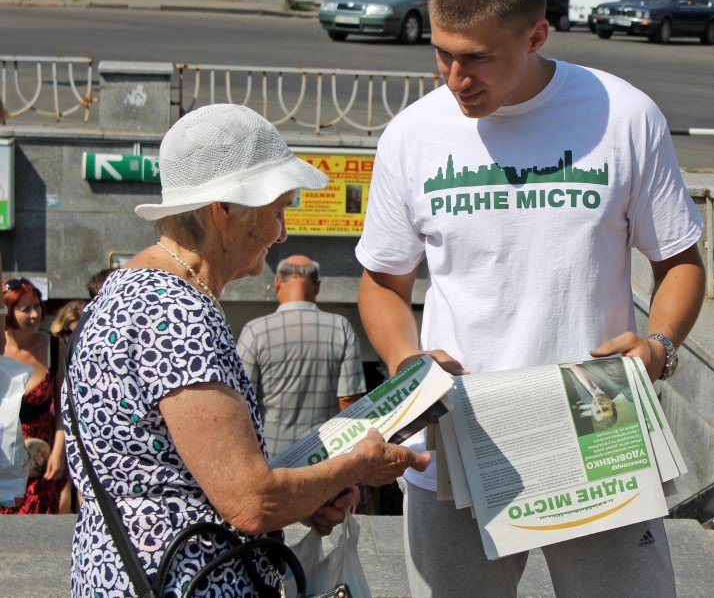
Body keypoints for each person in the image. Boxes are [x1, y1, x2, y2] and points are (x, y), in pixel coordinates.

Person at [356, 0, 705, 597]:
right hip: (459, 437)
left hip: (598, 427)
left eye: (479, 58)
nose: (456, 78)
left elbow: (680, 260)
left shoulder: (624, 116)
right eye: (443, 53)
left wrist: (658, 347)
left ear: (537, 35)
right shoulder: (412, 136)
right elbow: (382, 281)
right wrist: (408, 363)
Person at [63, 104, 429, 597]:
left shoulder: (126, 289)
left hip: (122, 569)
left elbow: (188, 467)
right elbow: (250, 502)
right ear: (224, 210)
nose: (282, 231)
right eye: (277, 211)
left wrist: (313, 487)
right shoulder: (178, 312)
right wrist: (356, 466)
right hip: (185, 578)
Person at [237, 255, 366, 459]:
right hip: (323, 454)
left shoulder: (255, 331)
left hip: (271, 456)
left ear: (277, 283)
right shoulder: (340, 327)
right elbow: (349, 400)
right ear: (317, 287)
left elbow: (242, 399)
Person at [0, 278, 65, 515]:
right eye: (25, 309)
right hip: (4, 462)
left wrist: (59, 452)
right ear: (7, 311)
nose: (34, 314)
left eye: (37, 306)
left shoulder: (54, 347)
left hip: (40, 464)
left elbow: (63, 408)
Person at [50, 299, 86, 514]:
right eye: (68, 332)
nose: (74, 339)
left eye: (80, 332)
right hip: (59, 430)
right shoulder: (55, 353)